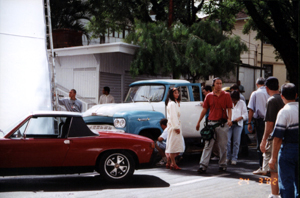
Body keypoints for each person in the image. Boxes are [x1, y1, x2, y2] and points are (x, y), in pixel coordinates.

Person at [196, 77, 233, 173]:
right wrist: (198, 122)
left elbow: (229, 108)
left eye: (221, 83)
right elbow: (204, 109)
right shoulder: (209, 96)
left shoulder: (226, 95)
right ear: (214, 85)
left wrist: (229, 119)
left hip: (222, 123)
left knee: (223, 145)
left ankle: (223, 164)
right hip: (211, 123)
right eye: (217, 83)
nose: (219, 85)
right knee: (208, 145)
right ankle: (203, 166)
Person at [269, 83, 298, 198]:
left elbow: (278, 137)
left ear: (282, 96)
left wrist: (273, 157)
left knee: (286, 183)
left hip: (288, 150)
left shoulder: (284, 112)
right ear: (296, 95)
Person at [260, 77, 284, 198]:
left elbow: (269, 124)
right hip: (287, 137)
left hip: (275, 138)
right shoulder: (284, 98)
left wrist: (263, 140)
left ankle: (274, 194)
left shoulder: (271, 101)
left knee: (273, 169)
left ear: (266, 88)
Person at [247, 77, 270, 175]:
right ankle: (270, 167)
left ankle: (262, 167)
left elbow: (251, 109)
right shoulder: (270, 92)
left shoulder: (255, 93)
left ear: (257, 84)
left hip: (260, 121)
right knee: (270, 143)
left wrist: (249, 123)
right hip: (271, 120)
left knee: (261, 143)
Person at [165, 88, 184, 170]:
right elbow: (173, 116)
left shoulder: (174, 103)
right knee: (173, 145)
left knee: (173, 143)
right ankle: (173, 163)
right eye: (175, 93)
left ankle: (169, 161)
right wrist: (176, 127)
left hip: (174, 125)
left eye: (177, 93)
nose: (177, 94)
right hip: (173, 126)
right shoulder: (172, 104)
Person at [226, 91, 248, 165]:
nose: (233, 101)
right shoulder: (228, 102)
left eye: (235, 100)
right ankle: (227, 157)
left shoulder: (242, 103)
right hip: (229, 123)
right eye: (233, 99)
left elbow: (245, 114)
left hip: (238, 124)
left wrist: (239, 118)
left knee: (236, 142)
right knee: (227, 141)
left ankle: (234, 157)